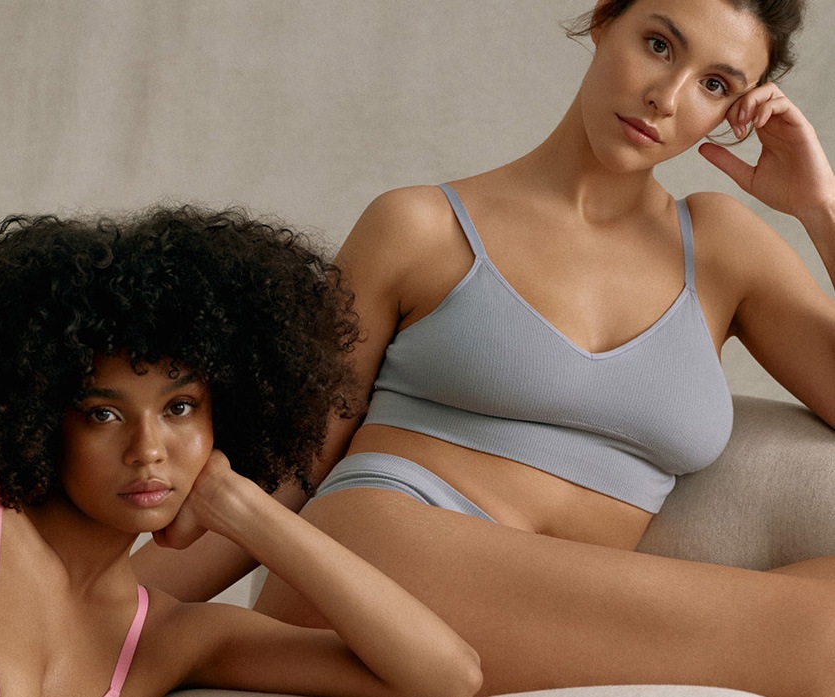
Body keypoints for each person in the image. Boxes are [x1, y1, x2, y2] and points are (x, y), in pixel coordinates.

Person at [132, 1, 835, 694]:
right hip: (378, 560)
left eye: (715, 84)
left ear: (737, 112)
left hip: (542, 621)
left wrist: (820, 209)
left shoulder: (722, 248)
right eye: (658, 45)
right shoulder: (418, 227)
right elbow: (294, 461)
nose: (667, 97)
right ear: (603, 21)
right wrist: (108, 606)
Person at [0, 206, 483, 697]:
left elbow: (446, 676)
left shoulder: (161, 639)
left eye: (179, 408)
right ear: (40, 414)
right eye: (103, 413)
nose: (148, 450)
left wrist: (244, 506)